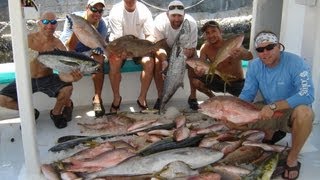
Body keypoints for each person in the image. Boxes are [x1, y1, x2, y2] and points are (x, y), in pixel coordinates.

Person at [236, 31, 314, 180]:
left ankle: (292, 158)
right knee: (233, 122)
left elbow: (307, 94)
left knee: (306, 113)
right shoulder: (254, 66)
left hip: (291, 111)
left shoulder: (296, 62)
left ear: (279, 46)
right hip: (268, 107)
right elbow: (247, 94)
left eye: (270, 47)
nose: (265, 53)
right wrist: (232, 111)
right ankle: (270, 135)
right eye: (260, 49)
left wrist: (274, 107)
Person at [0, 11, 82, 129]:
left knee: (68, 88)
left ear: (56, 25)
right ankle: (31, 113)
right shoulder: (27, 40)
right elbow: (17, 56)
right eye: (45, 22)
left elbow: (62, 73)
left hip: (47, 78)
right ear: (39, 23)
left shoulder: (58, 45)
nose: (49, 26)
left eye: (53, 22)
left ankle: (56, 113)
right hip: (26, 78)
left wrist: (73, 78)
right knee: (2, 99)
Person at [60, 0, 108, 117]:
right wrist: (78, 30)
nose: (97, 13)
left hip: (89, 51)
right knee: (67, 61)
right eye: (94, 9)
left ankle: (97, 98)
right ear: (87, 7)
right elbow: (69, 47)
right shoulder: (74, 19)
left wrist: (98, 49)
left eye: (100, 11)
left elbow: (99, 46)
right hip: (73, 50)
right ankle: (67, 103)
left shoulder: (102, 24)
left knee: (99, 59)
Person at [108, 0, 155, 112]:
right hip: (120, 46)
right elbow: (118, 40)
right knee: (114, 62)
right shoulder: (115, 11)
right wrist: (123, 52)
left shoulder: (144, 10)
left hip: (138, 45)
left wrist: (146, 46)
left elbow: (150, 36)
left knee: (149, 63)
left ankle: (142, 98)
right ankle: (116, 98)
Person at [190, 20, 253, 105]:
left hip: (236, 82)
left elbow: (249, 56)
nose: (211, 35)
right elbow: (202, 64)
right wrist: (199, 72)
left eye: (213, 31)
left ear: (220, 31)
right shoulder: (205, 48)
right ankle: (213, 98)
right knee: (195, 80)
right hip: (218, 80)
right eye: (207, 33)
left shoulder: (231, 43)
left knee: (249, 101)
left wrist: (241, 53)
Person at [153, 0, 198, 110]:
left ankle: (193, 97)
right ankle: (161, 97)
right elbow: (158, 47)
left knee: (194, 60)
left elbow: (192, 48)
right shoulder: (159, 22)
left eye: (179, 16)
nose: (177, 19)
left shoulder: (191, 24)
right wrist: (164, 60)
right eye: (173, 16)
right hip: (165, 47)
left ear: (184, 15)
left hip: (184, 50)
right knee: (157, 61)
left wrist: (189, 52)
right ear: (167, 14)